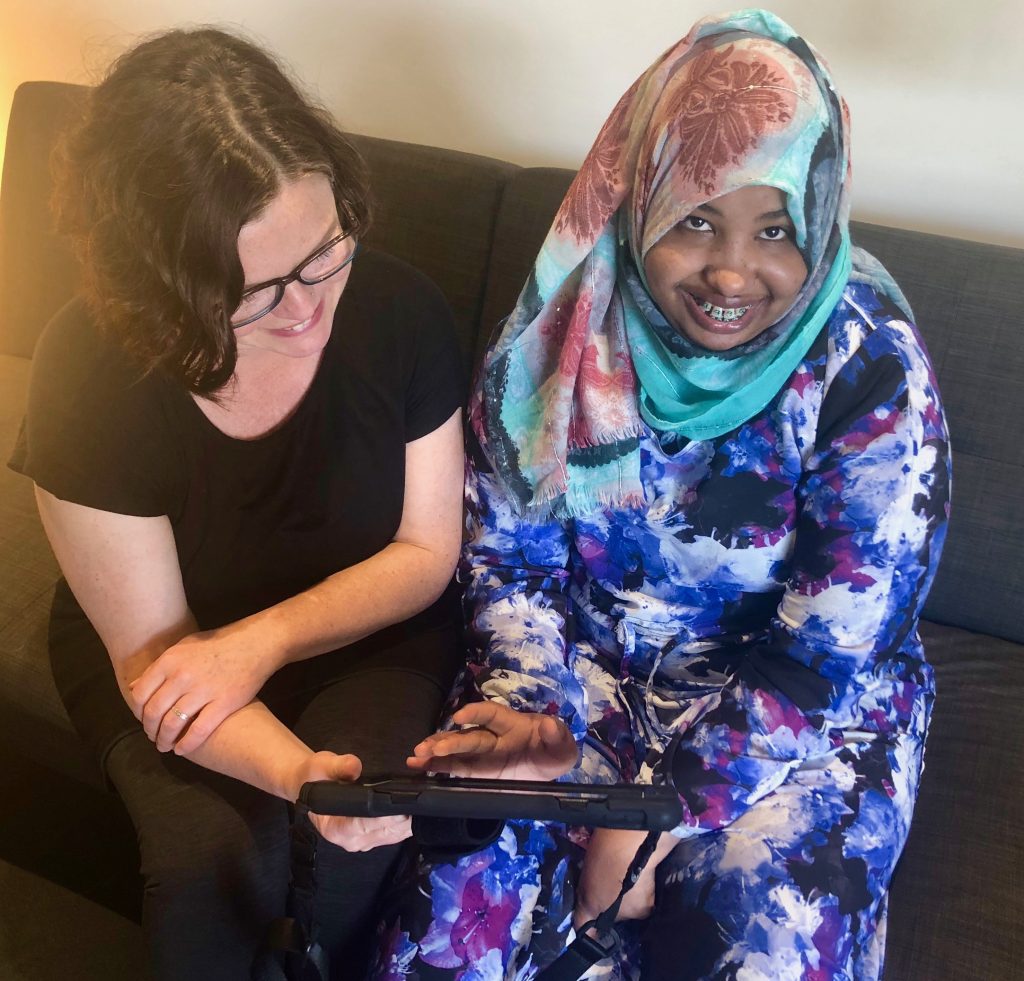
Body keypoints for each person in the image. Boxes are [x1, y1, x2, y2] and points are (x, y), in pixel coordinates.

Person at [372, 9, 950, 980]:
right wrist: (527, 707)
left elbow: (828, 651)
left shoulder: (867, 357)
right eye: (694, 220)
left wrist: (648, 820)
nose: (733, 271)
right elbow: (510, 558)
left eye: (775, 228)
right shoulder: (555, 331)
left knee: (761, 948)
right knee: (451, 929)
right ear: (638, 202)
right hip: (587, 676)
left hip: (793, 709)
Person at [9, 27, 465, 980]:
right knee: (208, 864)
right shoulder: (89, 372)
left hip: (367, 626)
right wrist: (296, 773)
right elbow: (155, 658)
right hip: (162, 647)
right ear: (161, 292)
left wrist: (261, 642)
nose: (306, 309)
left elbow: (426, 550)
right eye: (253, 293)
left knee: (359, 838)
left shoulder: (404, 312)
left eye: (325, 251)